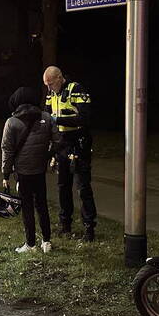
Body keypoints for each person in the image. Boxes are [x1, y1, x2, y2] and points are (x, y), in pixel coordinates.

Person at [1, 86, 58, 254]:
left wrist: (6, 174)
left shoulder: (11, 122)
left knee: (27, 207)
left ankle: (30, 244)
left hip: (23, 172)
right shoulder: (47, 118)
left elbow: (7, 150)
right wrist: (47, 156)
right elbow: (58, 140)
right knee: (42, 205)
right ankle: (46, 242)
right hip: (39, 170)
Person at [43, 66, 97, 241]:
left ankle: (89, 229)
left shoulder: (76, 90)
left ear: (60, 78)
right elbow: (47, 117)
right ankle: (65, 225)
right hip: (61, 144)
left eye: (51, 84)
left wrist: (58, 119)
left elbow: (85, 118)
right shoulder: (51, 95)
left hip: (78, 143)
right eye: (47, 85)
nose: (49, 89)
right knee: (62, 186)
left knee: (83, 187)